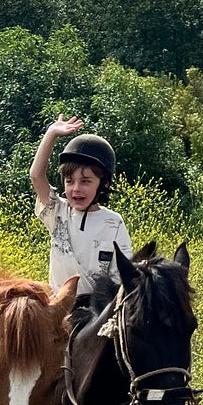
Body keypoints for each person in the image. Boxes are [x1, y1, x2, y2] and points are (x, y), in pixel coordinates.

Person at [30, 118, 131, 309]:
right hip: (56, 309)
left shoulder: (114, 223)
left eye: (85, 181)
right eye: (69, 181)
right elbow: (36, 176)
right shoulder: (58, 212)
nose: (76, 189)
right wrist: (51, 134)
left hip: (95, 313)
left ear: (103, 184)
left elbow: (120, 278)